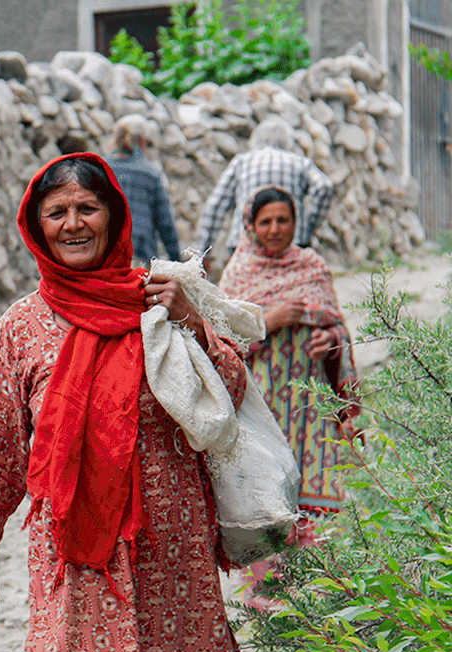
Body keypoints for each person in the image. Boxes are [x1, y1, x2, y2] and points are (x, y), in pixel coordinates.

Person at [0, 152, 247, 652]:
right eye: (56, 212)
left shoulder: (160, 305)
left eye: (87, 208)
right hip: (78, 565)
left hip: (171, 553)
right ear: (36, 225)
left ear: (114, 218)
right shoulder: (22, 326)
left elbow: (233, 393)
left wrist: (191, 320)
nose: (73, 223)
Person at [219, 186, 359, 514]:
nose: (275, 229)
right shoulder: (238, 274)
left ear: (296, 224)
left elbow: (339, 328)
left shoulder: (313, 267)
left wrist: (332, 340)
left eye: (283, 220)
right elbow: (220, 343)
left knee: (317, 503)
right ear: (251, 226)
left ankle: (316, 565)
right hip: (259, 406)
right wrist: (269, 321)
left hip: (311, 406)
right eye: (266, 221)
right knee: (265, 505)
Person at [194, 117, 334, 270]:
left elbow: (215, 206)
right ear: (287, 140)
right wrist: (307, 225)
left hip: (244, 245)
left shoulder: (241, 162)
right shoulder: (300, 162)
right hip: (292, 242)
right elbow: (324, 186)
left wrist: (203, 251)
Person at [105, 114, 181, 267]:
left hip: (106, 250)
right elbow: (165, 223)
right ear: (142, 141)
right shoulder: (151, 173)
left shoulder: (101, 168)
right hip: (140, 252)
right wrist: (176, 259)